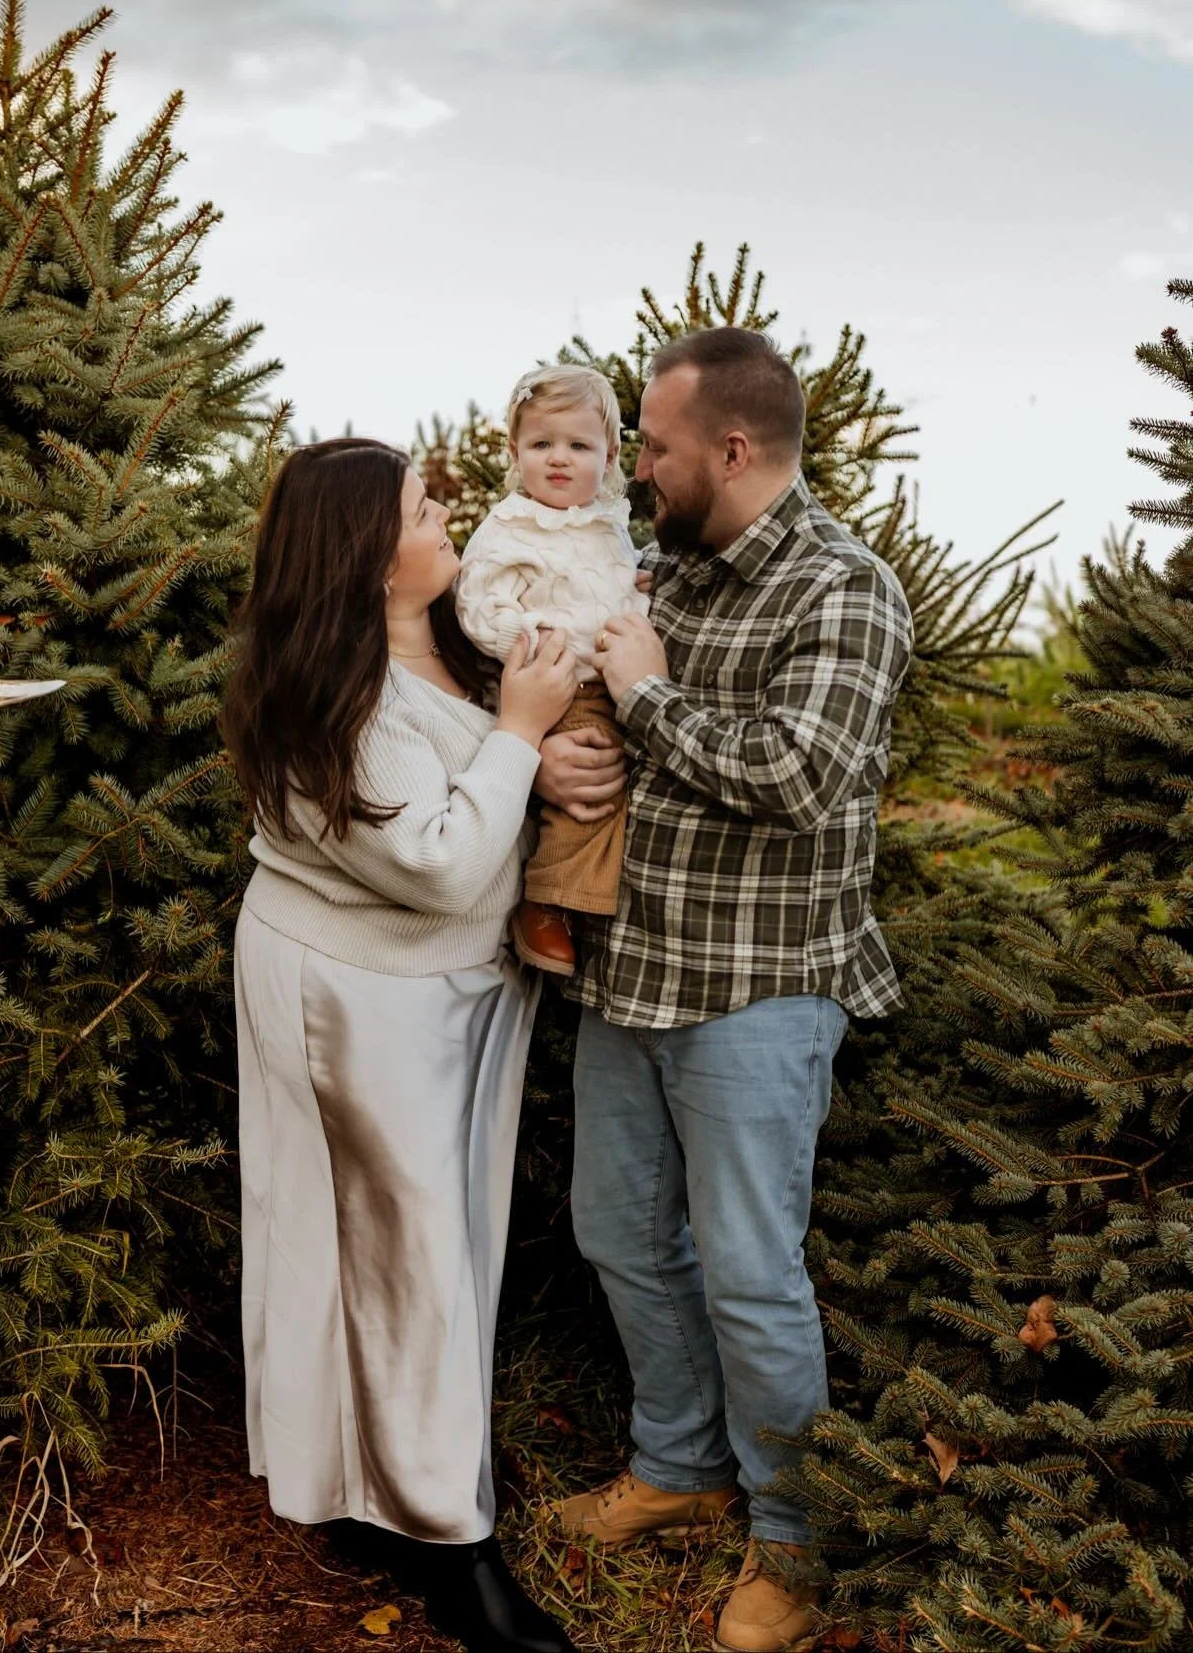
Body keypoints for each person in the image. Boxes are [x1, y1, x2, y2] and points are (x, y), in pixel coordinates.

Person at [547, 328, 915, 1653]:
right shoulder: (664, 566)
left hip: (759, 992)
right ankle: (680, 1464)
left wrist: (647, 700)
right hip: (632, 973)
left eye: (652, 446)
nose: (635, 468)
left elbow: (799, 774)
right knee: (618, 1231)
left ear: (734, 448)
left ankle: (794, 1539)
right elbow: (588, 702)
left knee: (753, 1274)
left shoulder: (844, 588)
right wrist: (563, 757)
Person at [220, 437, 582, 1653]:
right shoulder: (341, 694)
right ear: (370, 559)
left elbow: (497, 771)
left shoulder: (453, 638)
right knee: (403, 1252)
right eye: (425, 510)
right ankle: (450, 1540)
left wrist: (543, 738)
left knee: (422, 1244)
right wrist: (521, 733)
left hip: (450, 991)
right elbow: (438, 863)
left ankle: (376, 1484)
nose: (446, 519)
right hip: (355, 994)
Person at [455, 364, 648, 977]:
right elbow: (477, 605)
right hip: (554, 679)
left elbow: (612, 584)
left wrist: (640, 591)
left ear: (609, 456)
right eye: (542, 443)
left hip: (609, 674)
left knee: (624, 777)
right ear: (516, 452)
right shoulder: (509, 527)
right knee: (590, 777)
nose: (559, 458)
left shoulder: (609, 525)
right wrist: (536, 639)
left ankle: (585, 898)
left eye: (578, 446)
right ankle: (547, 902)